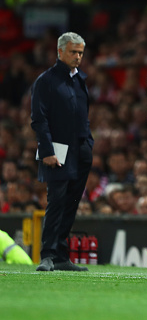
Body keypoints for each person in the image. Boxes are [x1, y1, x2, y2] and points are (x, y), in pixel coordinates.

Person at [31, 32, 93, 271]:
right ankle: (47, 254)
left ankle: (61, 256)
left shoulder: (79, 80)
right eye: (73, 52)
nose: (78, 57)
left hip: (81, 152)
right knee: (56, 201)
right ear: (60, 52)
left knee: (71, 203)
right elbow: (39, 119)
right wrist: (46, 150)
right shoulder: (46, 81)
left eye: (80, 53)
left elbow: (82, 115)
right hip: (57, 151)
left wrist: (88, 144)